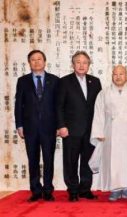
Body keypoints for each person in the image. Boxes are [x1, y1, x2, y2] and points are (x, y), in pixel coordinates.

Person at [90, 65, 127, 201]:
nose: (118, 77)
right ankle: (114, 189)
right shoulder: (104, 93)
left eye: (121, 74)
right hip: (110, 131)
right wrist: (98, 132)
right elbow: (98, 113)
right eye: (115, 74)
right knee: (112, 160)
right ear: (112, 76)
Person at [57, 51, 102, 202]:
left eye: (85, 63)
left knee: (87, 161)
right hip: (71, 130)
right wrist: (61, 126)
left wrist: (100, 128)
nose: (82, 65)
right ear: (73, 64)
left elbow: (99, 107)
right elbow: (59, 106)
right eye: (78, 62)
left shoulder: (95, 82)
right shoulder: (64, 82)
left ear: (89, 65)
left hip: (90, 130)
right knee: (71, 161)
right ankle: (73, 190)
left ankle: (85, 189)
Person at [14, 50, 59, 202]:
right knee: (32, 159)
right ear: (29, 63)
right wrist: (19, 125)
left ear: (45, 62)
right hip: (30, 128)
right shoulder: (23, 81)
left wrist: (59, 125)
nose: (37, 62)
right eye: (33, 60)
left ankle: (48, 190)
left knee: (48, 159)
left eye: (39, 59)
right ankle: (35, 190)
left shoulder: (54, 80)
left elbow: (58, 106)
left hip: (49, 127)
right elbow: (18, 104)